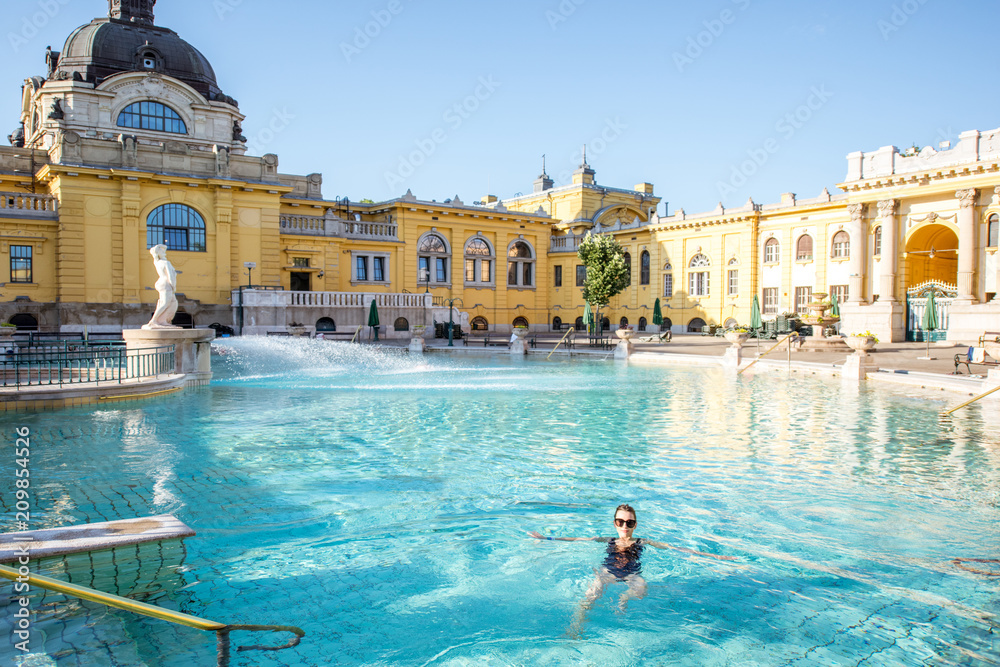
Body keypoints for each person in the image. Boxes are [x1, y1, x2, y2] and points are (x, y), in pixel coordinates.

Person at [529, 504, 735, 634]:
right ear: (615, 523)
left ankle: (624, 597)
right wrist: (547, 538)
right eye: (620, 521)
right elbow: (577, 538)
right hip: (607, 572)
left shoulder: (642, 541)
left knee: (641, 590)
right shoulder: (607, 539)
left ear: (635, 525)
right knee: (590, 596)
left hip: (631, 574)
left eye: (629, 522)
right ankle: (575, 629)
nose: (625, 526)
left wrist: (716, 556)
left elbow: (677, 548)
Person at [143, 244, 180, 329]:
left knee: (173, 303)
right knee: (165, 303)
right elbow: (170, 276)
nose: (164, 251)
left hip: (161, 283)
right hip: (166, 284)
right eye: (161, 251)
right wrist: (173, 286)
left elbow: (165, 247)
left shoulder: (157, 262)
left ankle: (163, 321)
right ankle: (153, 321)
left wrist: (158, 247)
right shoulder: (166, 263)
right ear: (158, 253)